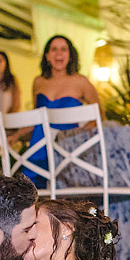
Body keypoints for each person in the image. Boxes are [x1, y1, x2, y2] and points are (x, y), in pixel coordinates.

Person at [22, 35, 102, 189]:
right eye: (54, 49)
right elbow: (35, 119)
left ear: (70, 55)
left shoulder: (81, 81)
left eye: (63, 49)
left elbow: (99, 115)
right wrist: (15, 136)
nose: (59, 54)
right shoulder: (38, 82)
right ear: (47, 56)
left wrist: (82, 134)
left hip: (70, 148)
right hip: (40, 144)